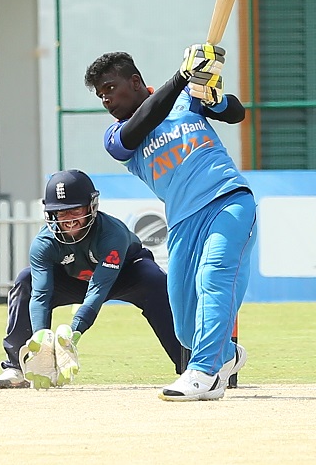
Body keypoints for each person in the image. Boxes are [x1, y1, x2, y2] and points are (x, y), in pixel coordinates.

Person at [90, 44, 252, 401]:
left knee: (215, 278)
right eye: (101, 96)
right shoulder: (117, 137)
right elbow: (144, 122)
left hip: (227, 200)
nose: (107, 101)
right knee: (183, 326)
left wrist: (214, 96)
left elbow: (235, 114)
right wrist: (181, 77)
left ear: (134, 82)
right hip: (182, 222)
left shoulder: (186, 100)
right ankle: (226, 355)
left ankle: (204, 372)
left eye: (111, 90)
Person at [2, 168, 188, 388]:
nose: (69, 220)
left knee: (156, 281)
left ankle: (192, 366)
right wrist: (41, 339)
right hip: (74, 280)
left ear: (91, 206)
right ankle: (17, 367)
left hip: (125, 275)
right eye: (62, 213)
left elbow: (99, 288)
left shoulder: (112, 233)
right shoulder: (44, 243)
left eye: (76, 210)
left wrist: (74, 333)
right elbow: (41, 294)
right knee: (26, 280)